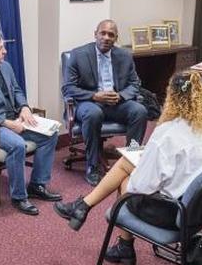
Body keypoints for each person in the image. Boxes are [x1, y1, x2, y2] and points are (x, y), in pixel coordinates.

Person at [54, 70, 202, 265]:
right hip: (201, 209)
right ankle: (94, 218)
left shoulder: (168, 133)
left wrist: (144, 163)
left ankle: (107, 228)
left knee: (125, 179)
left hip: (171, 213)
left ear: (173, 98)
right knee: (127, 165)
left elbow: (140, 187)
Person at [0, 30, 60, 215]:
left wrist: (24, 107)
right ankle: (19, 197)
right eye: (0, 48)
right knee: (17, 145)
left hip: (13, 118)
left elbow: (16, 90)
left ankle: (37, 185)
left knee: (50, 134)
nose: (5, 51)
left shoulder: (5, 67)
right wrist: (7, 123)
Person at [61, 19, 149, 186]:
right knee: (94, 113)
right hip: (89, 103)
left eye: (111, 35)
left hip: (117, 103)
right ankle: (92, 166)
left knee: (140, 111)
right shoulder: (78, 55)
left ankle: (131, 160)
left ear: (116, 38)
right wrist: (95, 96)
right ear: (95, 34)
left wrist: (121, 96)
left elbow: (135, 83)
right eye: (103, 33)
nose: (106, 37)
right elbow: (68, 88)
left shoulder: (124, 56)